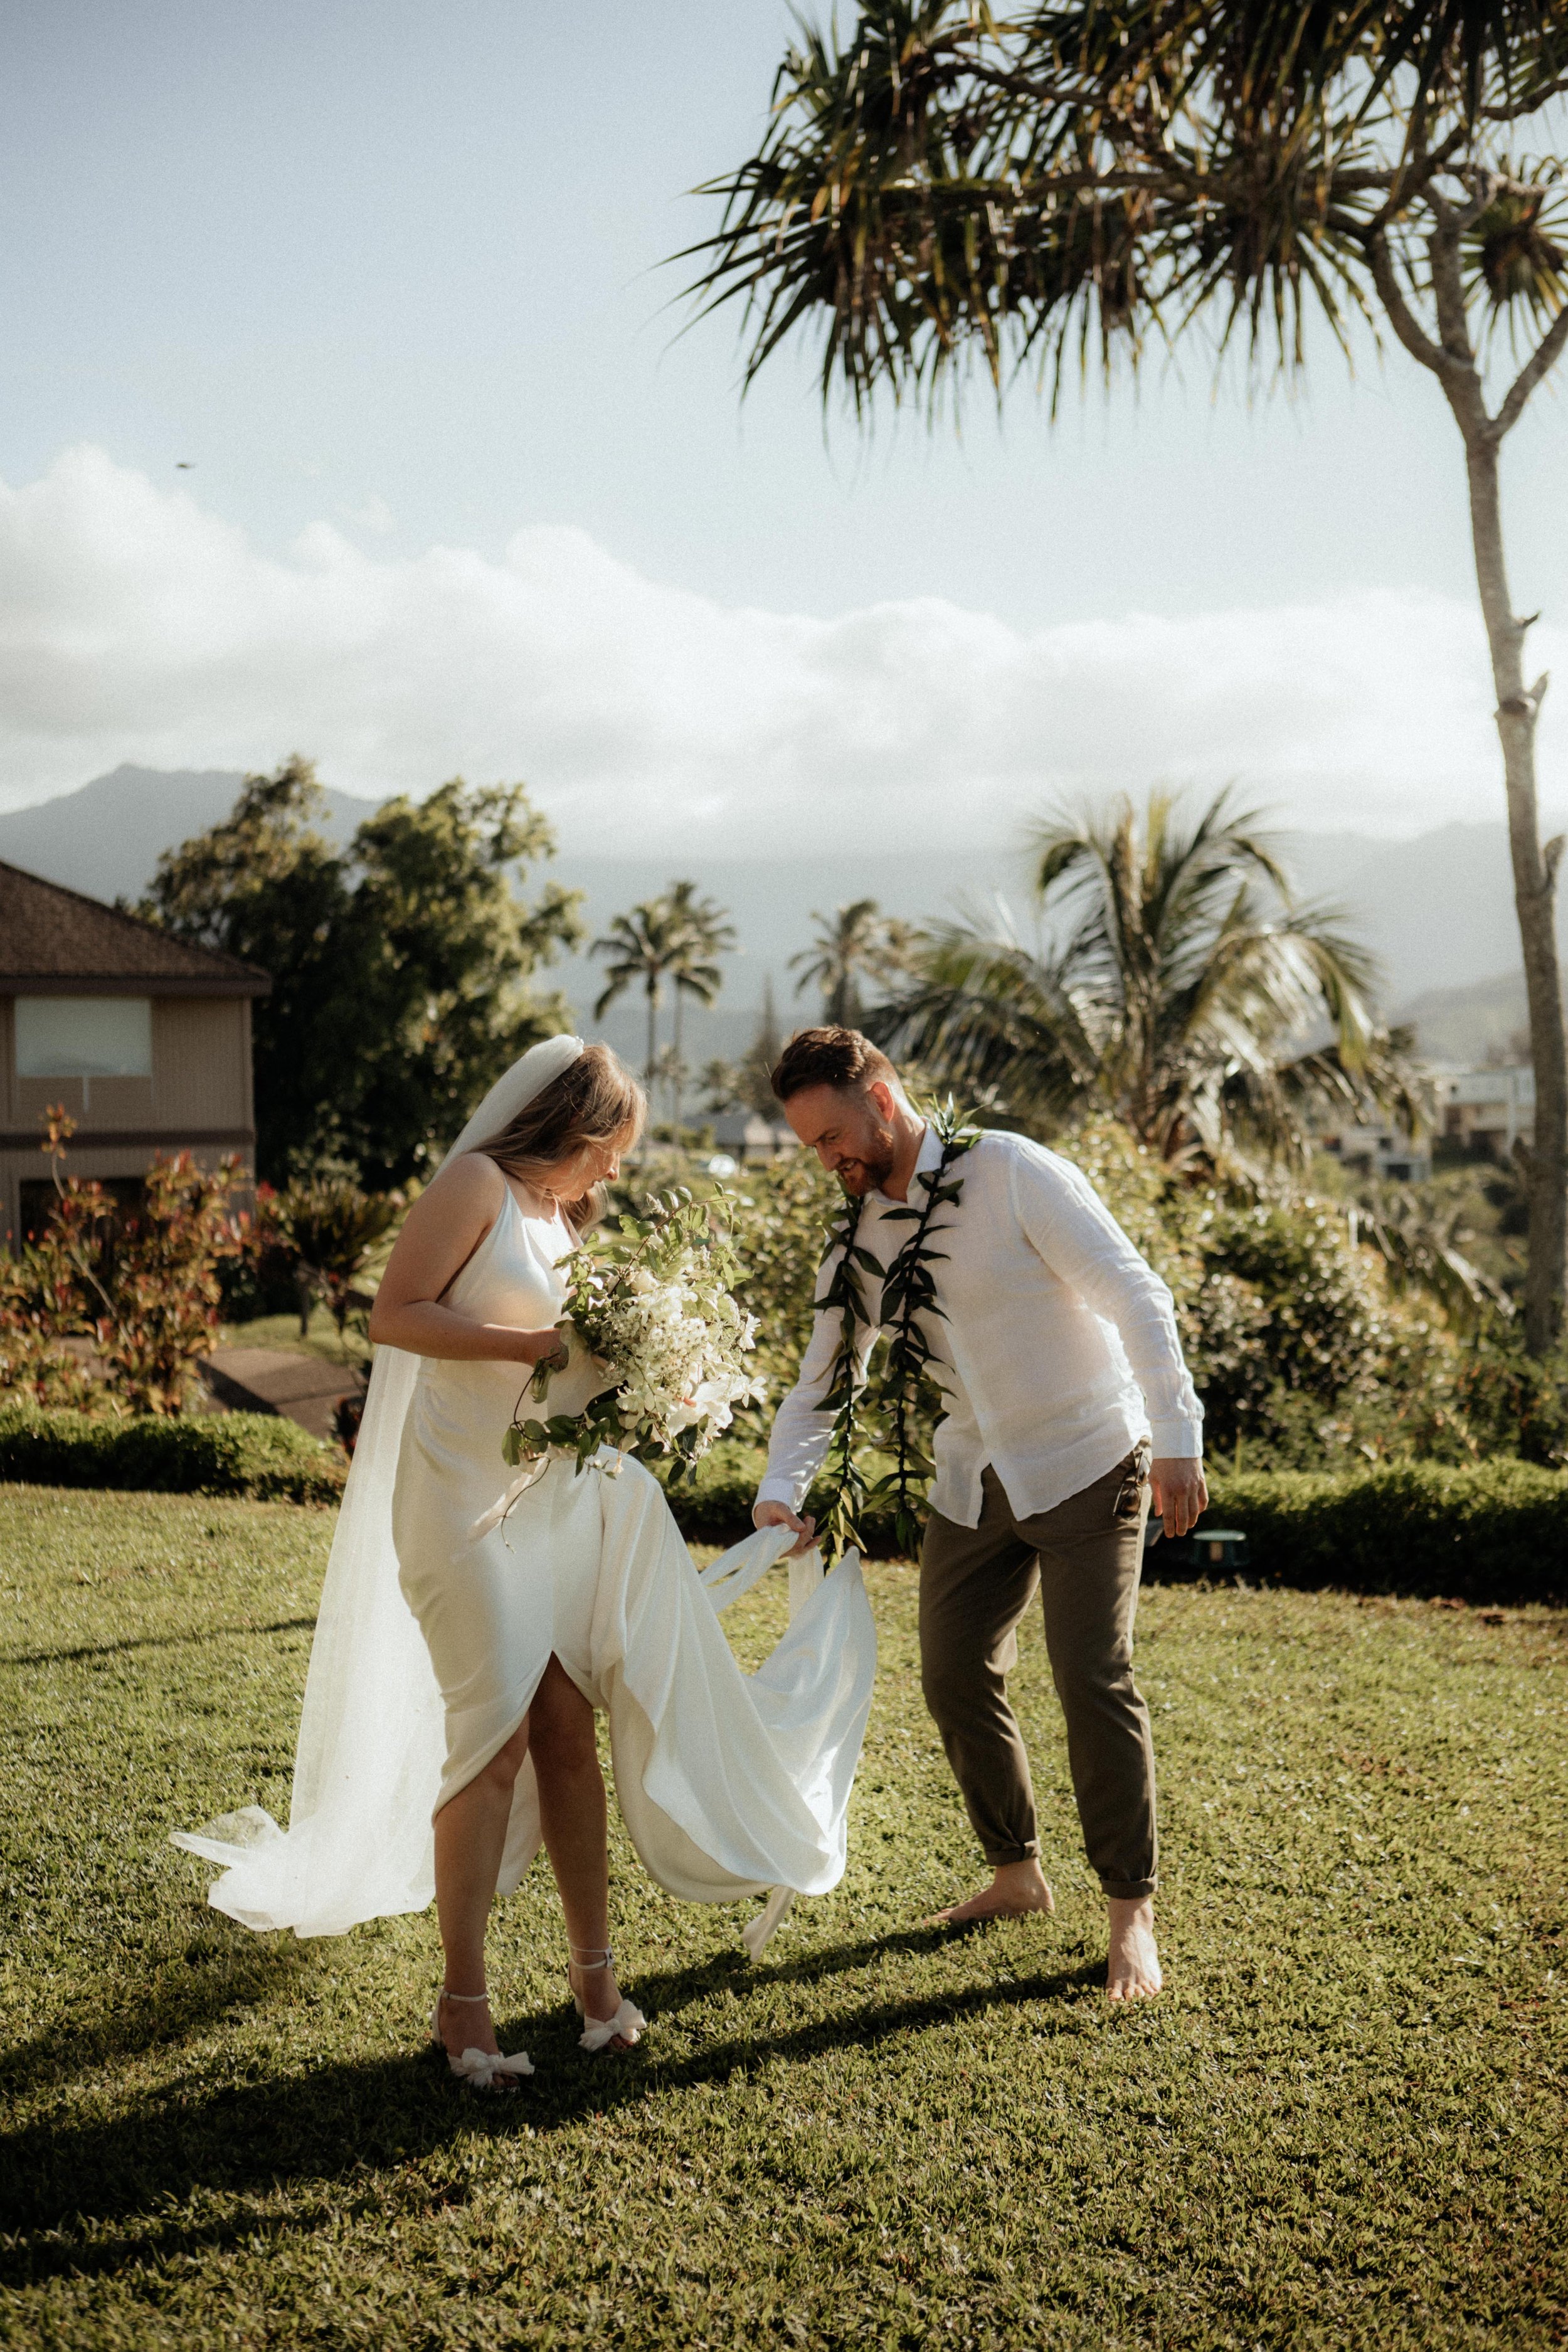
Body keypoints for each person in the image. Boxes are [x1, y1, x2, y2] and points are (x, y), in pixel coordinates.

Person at [175, 1037, 875, 2091]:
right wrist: (535, 1346)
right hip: (460, 1503)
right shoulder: (480, 1187)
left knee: (565, 1726)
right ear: (573, 1126)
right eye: (611, 1152)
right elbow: (394, 1314)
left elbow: (574, 1367)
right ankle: (463, 2004)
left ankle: (595, 1982)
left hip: (553, 1502)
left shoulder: (564, 1219)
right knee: (493, 1737)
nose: (614, 1175)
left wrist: (648, 1386)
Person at [753, 1027, 1207, 2001]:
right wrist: (780, 1487)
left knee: (1092, 1675)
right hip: (977, 1470)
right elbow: (823, 1381)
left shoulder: (1009, 1171)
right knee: (955, 1669)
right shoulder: (859, 1238)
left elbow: (1135, 1290)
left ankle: (1131, 1914)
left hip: (1090, 1452)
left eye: (833, 1134)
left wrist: (1178, 1431)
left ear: (882, 1097)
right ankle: (1017, 1871)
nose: (828, 1159)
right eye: (811, 1147)